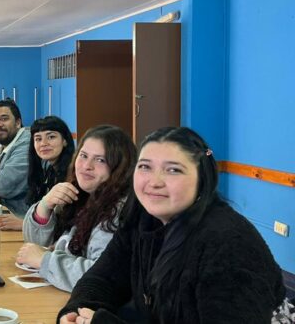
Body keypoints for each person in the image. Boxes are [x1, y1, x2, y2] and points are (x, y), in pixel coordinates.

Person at [58, 127, 287, 324]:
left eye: (173, 170)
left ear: (202, 179)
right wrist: (75, 311)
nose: (154, 182)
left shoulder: (228, 243)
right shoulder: (141, 216)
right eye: (145, 167)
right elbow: (103, 277)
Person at [17, 125, 135, 291]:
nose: (87, 166)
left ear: (119, 168)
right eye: (84, 156)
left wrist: (44, 260)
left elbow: (100, 275)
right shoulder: (80, 194)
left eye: (100, 160)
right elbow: (34, 244)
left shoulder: (117, 211)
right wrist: (45, 204)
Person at [0, 115, 75, 231]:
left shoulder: (74, 172)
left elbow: (68, 224)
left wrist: (24, 224)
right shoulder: (50, 169)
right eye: (38, 139)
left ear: (65, 141)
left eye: (51, 137)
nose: (43, 143)